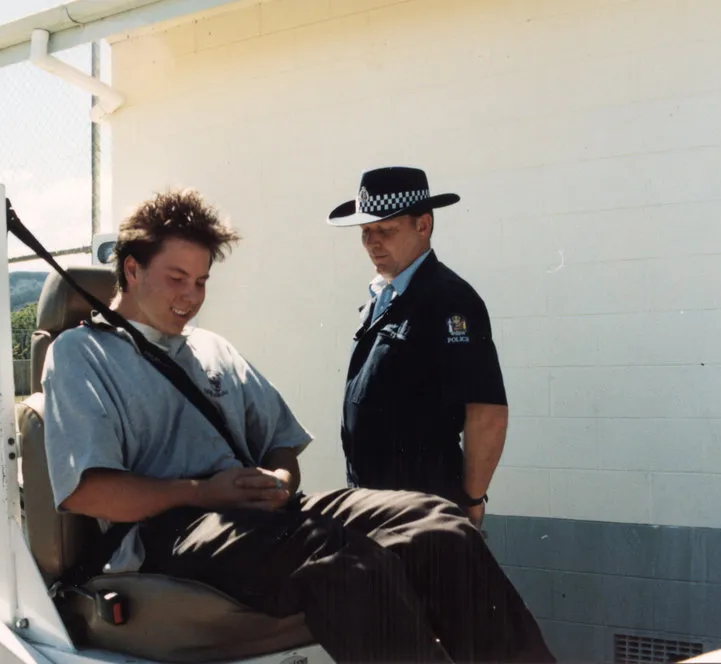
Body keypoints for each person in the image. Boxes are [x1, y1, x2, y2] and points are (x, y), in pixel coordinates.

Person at [41, 188, 553, 663]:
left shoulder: (211, 348)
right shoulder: (82, 355)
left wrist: (280, 481)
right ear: (132, 269)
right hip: (171, 534)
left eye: (201, 283)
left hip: (259, 517)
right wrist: (204, 492)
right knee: (344, 563)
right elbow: (90, 493)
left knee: (437, 523)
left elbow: (281, 446)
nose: (191, 297)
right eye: (177, 279)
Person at [327, 166, 509, 529]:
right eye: (365, 232)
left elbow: (486, 412)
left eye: (385, 230)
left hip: (422, 513)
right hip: (376, 508)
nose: (373, 243)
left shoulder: (449, 299)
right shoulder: (385, 295)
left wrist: (471, 504)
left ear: (423, 226)